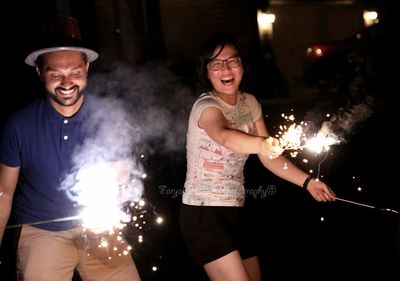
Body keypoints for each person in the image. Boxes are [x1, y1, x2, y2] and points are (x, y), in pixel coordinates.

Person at [179, 32, 336, 281]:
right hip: (203, 214)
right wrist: (263, 144)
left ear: (243, 65)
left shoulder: (250, 104)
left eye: (232, 61)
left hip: (236, 210)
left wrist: (308, 182)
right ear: (206, 72)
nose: (226, 69)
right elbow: (225, 136)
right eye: (216, 64)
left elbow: (269, 157)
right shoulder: (206, 106)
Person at [0, 17, 141, 281]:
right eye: (56, 74)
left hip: (99, 231)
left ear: (87, 68)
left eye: (75, 72)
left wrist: (113, 199)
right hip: (42, 231)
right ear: (39, 72)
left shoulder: (109, 117)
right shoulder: (19, 125)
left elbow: (122, 178)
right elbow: (4, 192)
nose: (67, 83)